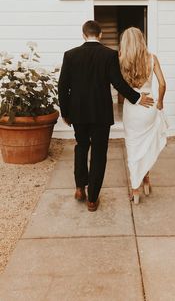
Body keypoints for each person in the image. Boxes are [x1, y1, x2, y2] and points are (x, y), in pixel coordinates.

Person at [58, 20, 154, 212]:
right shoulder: (109, 55)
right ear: (100, 35)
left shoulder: (70, 55)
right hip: (100, 113)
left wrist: (66, 113)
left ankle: (79, 188)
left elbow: (62, 86)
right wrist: (137, 98)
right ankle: (92, 199)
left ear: (83, 34)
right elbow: (118, 82)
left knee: (81, 146)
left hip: (77, 112)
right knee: (99, 153)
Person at [119, 27, 167, 204]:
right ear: (141, 39)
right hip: (150, 106)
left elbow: (119, 86)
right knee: (147, 144)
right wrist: (160, 102)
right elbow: (162, 84)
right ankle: (146, 179)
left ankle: (135, 189)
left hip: (133, 107)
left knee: (133, 146)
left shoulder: (121, 60)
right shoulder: (152, 58)